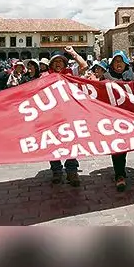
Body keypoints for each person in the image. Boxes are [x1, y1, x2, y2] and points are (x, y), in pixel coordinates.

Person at [43, 47, 88, 187]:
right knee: (53, 143)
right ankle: (56, 171)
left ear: (65, 63)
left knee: (71, 142)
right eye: (55, 61)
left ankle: (71, 171)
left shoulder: (70, 73)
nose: (58, 63)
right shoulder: (44, 76)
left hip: (70, 114)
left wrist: (73, 53)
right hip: (52, 116)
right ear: (51, 64)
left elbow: (84, 66)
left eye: (61, 61)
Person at [103, 51, 134, 191]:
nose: (118, 64)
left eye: (121, 61)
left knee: (125, 145)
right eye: (115, 61)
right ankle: (119, 174)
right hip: (112, 118)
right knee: (117, 147)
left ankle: (121, 170)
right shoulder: (105, 77)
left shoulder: (133, 77)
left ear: (125, 63)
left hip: (129, 117)